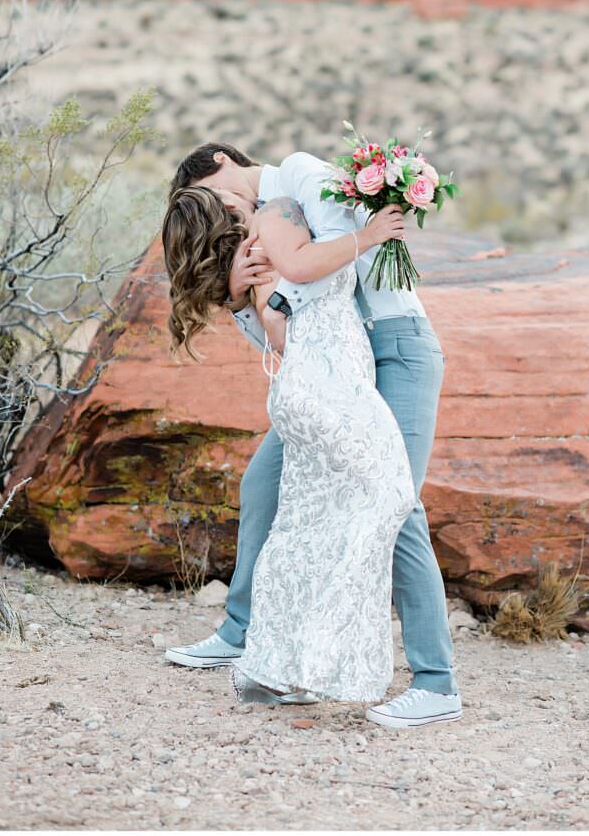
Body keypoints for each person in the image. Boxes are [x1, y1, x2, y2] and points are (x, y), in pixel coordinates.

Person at [163, 144, 461, 728]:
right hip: (339, 371)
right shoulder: (274, 217)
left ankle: (436, 683)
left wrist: (272, 290)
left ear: (223, 159)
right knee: (266, 484)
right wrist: (240, 299)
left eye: (219, 192)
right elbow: (288, 343)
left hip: (393, 346)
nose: (227, 207)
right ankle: (251, 640)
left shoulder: (297, 177)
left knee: (396, 508)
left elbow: (331, 276)